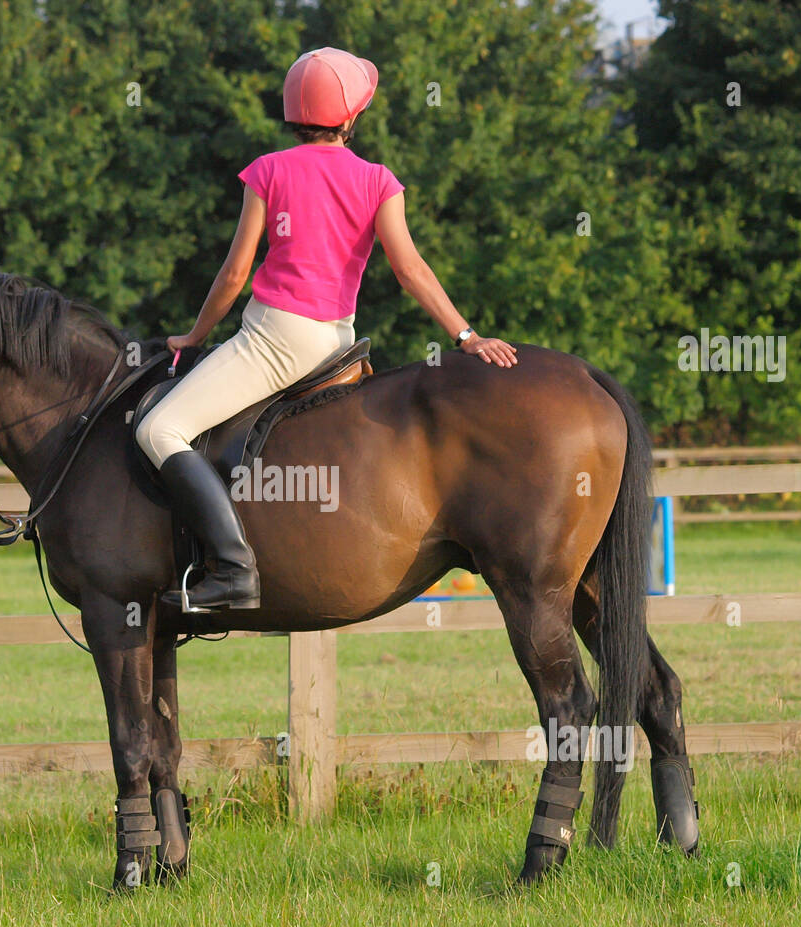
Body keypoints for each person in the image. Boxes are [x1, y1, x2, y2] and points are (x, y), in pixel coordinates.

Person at [136, 46, 517, 612]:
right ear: (351, 117)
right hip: (338, 343)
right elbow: (409, 269)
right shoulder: (378, 180)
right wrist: (466, 336)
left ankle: (234, 570)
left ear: (294, 113)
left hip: (275, 340)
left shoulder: (268, 170)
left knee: (158, 430)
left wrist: (195, 336)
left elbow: (237, 272)